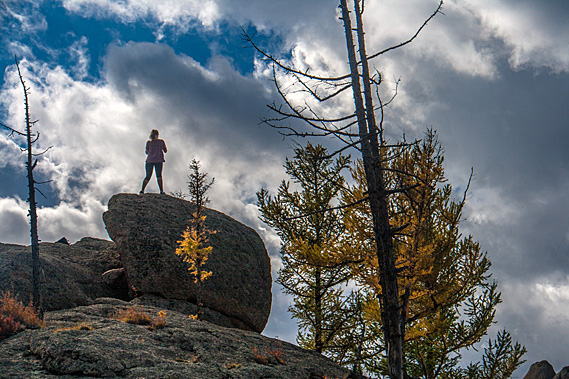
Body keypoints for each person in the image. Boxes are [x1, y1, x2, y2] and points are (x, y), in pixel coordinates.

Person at [140, 129, 167, 194]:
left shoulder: (149, 142)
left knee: (148, 176)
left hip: (149, 161)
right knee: (159, 175)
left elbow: (146, 152)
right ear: (157, 135)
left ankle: (142, 190)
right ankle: (161, 191)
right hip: (159, 160)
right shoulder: (161, 142)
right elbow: (165, 150)